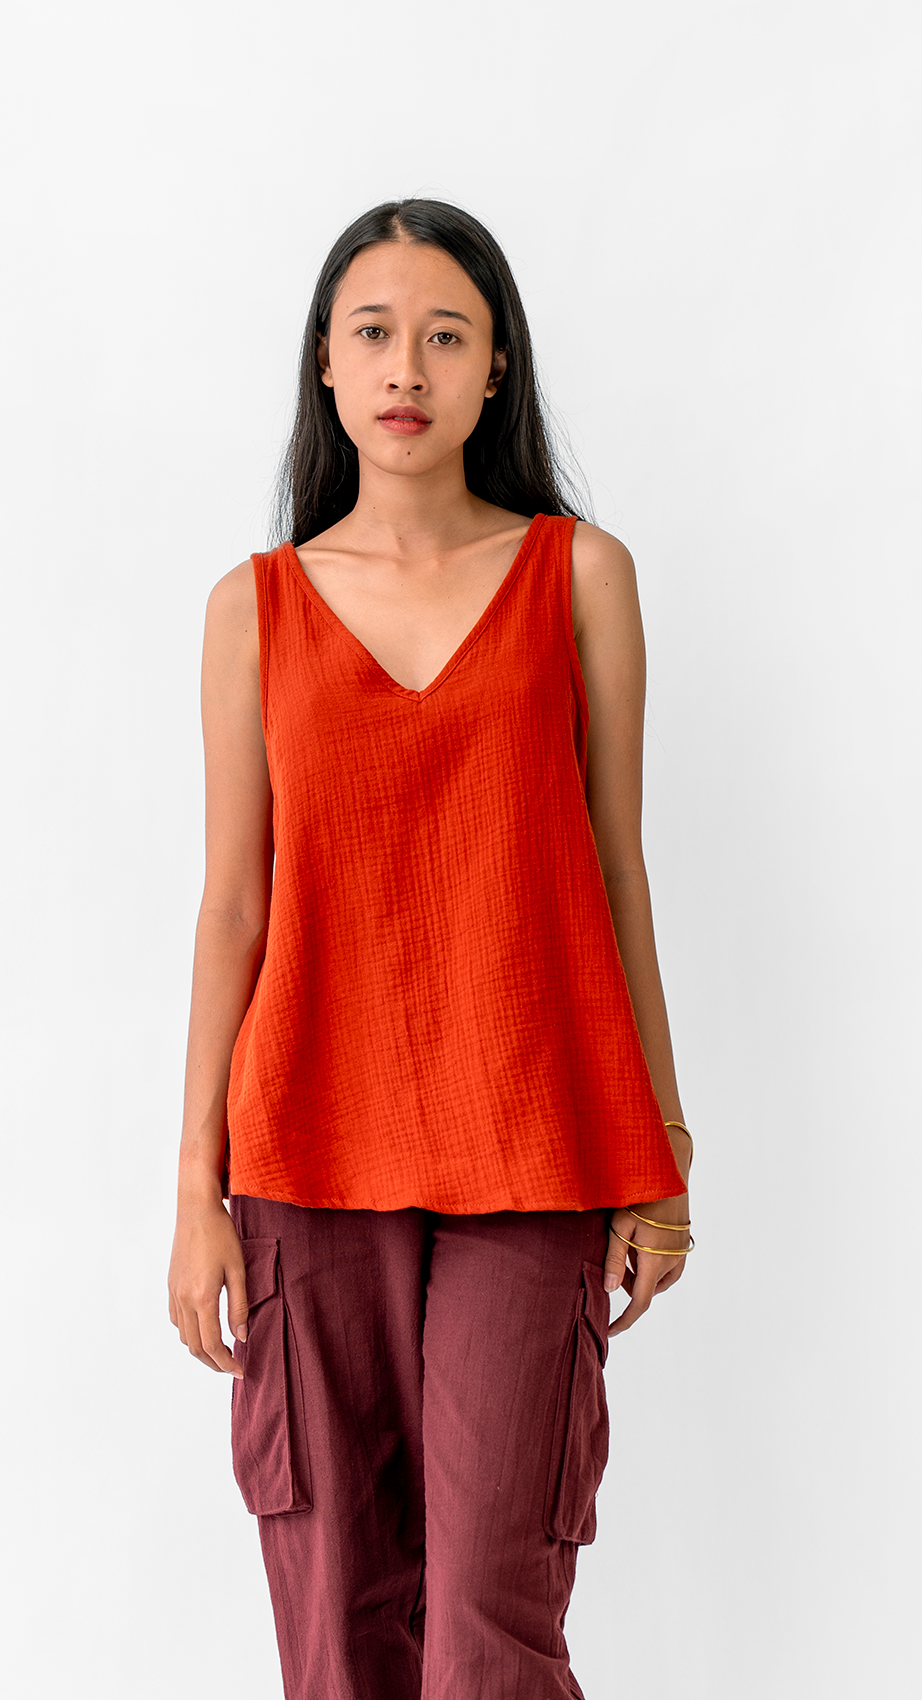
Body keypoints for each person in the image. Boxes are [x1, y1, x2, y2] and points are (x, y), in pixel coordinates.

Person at [167, 197, 693, 1700]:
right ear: (327, 366)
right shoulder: (255, 609)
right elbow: (233, 908)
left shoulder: (579, 576)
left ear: (495, 367)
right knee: (338, 1623)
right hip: (301, 1150)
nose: (408, 367)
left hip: (536, 1141)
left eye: (446, 335)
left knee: (489, 1629)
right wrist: (194, 1191)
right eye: (375, 333)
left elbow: (615, 873)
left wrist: (658, 1147)